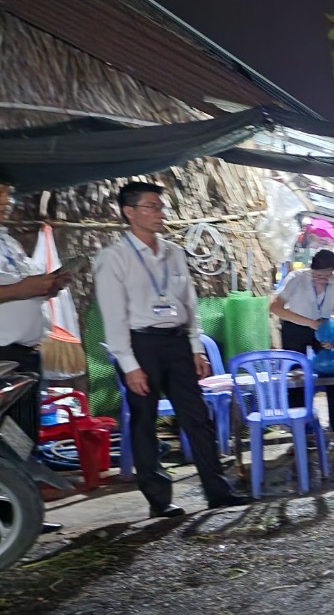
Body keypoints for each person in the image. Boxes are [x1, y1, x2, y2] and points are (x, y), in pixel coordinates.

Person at [95, 182, 247, 517]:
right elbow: (113, 315)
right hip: (141, 344)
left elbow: (188, 302)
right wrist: (129, 364)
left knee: (197, 416)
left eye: (161, 207)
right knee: (144, 421)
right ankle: (159, 500)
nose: (159, 213)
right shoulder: (113, 258)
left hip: (177, 342)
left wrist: (195, 346)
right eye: (151, 206)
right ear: (129, 212)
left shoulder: (173, 252)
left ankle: (217, 491)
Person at [0, 186, 73, 533]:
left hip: (26, 353)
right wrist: (23, 289)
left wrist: (49, 286)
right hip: (0, 356)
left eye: (7, 198)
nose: (4, 204)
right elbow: (15, 289)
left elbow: (26, 286)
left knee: (22, 434)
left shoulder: (9, 241)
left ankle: (21, 511)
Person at [269, 249, 334, 433]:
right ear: (311, 268)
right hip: (295, 327)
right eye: (317, 275)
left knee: (332, 376)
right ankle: (299, 432)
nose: (321, 280)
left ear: (333, 270)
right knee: (296, 378)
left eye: (326, 276)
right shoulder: (296, 278)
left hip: (324, 329)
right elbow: (275, 307)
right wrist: (310, 323)